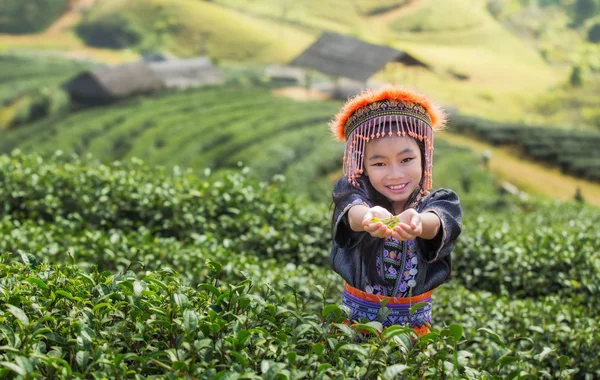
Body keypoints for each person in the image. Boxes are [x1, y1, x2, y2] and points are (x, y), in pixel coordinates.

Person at [329, 86, 462, 336]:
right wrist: (369, 218)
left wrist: (418, 224)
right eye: (379, 163)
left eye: (406, 160)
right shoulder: (353, 194)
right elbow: (353, 213)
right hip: (354, 330)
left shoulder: (442, 202)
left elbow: (437, 221)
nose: (395, 174)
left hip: (414, 334)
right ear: (363, 167)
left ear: (424, 158)